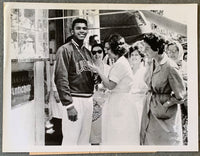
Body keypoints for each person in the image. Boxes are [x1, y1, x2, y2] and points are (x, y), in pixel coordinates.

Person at [88, 35, 139, 145]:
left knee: (119, 135)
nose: (106, 52)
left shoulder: (120, 64)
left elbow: (110, 85)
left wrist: (98, 71)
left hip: (121, 103)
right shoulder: (119, 62)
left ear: (116, 48)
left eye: (107, 49)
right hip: (118, 101)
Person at [140, 33, 186, 145]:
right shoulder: (152, 62)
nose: (144, 51)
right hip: (150, 110)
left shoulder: (170, 66)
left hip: (165, 116)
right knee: (149, 143)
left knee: (166, 144)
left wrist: (167, 103)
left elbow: (181, 95)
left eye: (147, 48)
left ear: (157, 49)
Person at [54, 18, 95, 145]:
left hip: (88, 99)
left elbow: (91, 77)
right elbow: (61, 78)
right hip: (74, 100)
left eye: (84, 28)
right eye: (78, 28)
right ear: (72, 31)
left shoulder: (87, 52)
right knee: (70, 140)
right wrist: (69, 105)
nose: (82, 31)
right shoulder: (65, 50)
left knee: (84, 140)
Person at [89, 43, 110, 145]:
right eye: (94, 52)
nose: (97, 54)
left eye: (99, 51)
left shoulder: (109, 69)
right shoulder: (88, 69)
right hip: (93, 104)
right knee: (94, 135)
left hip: (106, 103)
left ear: (104, 52)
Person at [128, 45, 148, 131]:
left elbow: (147, 89)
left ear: (141, 57)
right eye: (132, 55)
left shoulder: (144, 71)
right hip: (128, 103)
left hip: (140, 103)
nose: (134, 57)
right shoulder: (128, 70)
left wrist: (135, 91)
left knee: (139, 127)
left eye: (136, 55)